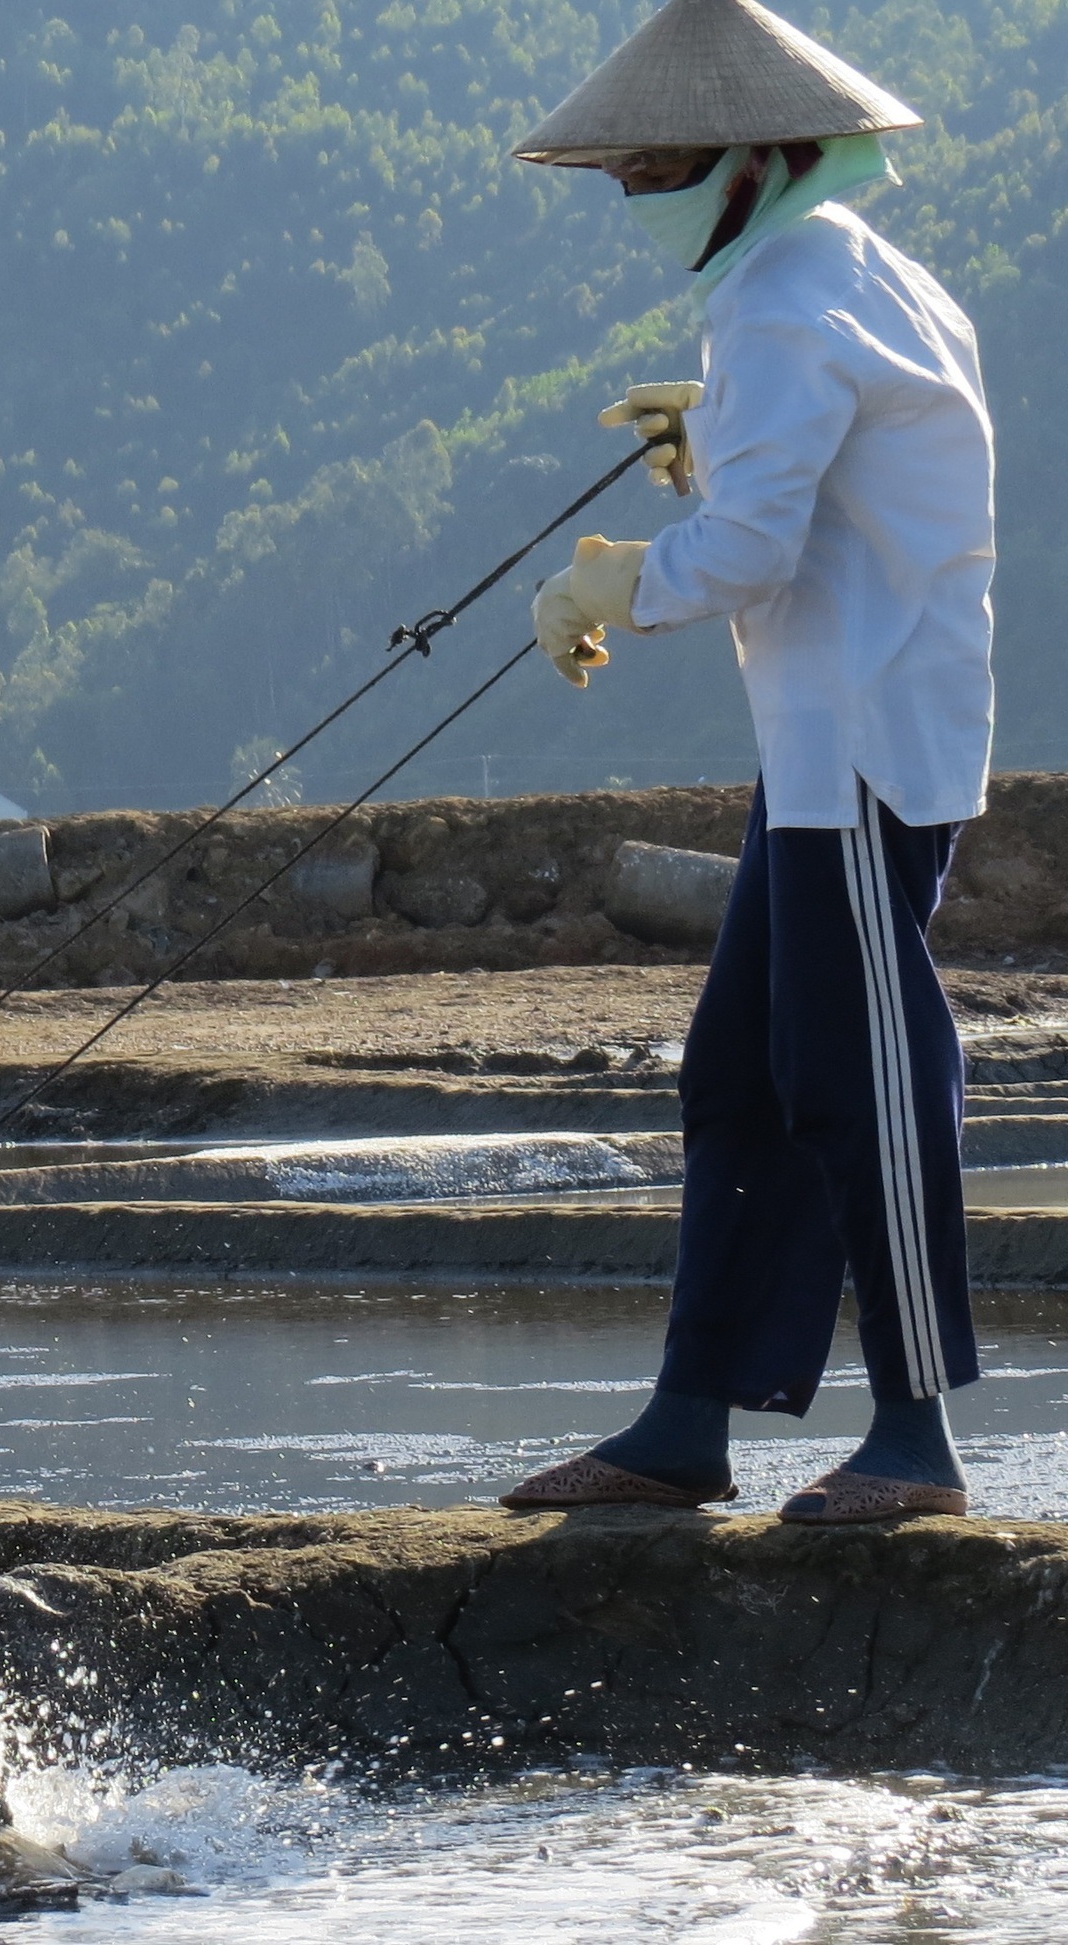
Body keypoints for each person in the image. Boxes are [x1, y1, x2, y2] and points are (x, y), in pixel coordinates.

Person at [498, 0, 996, 1523]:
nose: (636, 191)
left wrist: (616, 581)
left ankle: (917, 1439)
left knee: (858, 1076)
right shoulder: (852, 276)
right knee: (742, 1071)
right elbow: (825, 478)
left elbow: (756, 550)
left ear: (753, 159)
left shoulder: (781, 301)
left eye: (656, 165)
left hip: (852, 738)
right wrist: (709, 445)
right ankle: (687, 1417)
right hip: (837, 740)